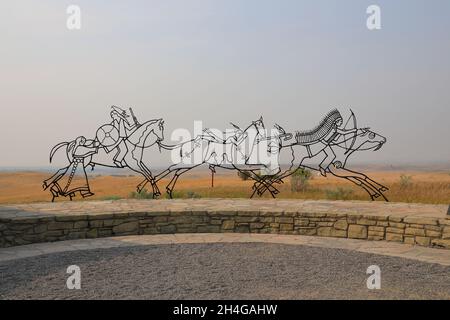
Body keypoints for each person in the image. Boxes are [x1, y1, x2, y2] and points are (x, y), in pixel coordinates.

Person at [43, 136, 97, 201]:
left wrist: (93, 147)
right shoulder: (79, 148)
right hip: (76, 166)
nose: (84, 143)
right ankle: (85, 192)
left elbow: (87, 152)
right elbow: (89, 151)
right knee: (76, 180)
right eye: (83, 141)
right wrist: (95, 146)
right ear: (80, 141)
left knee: (72, 181)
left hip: (78, 165)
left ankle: (55, 189)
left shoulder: (78, 147)